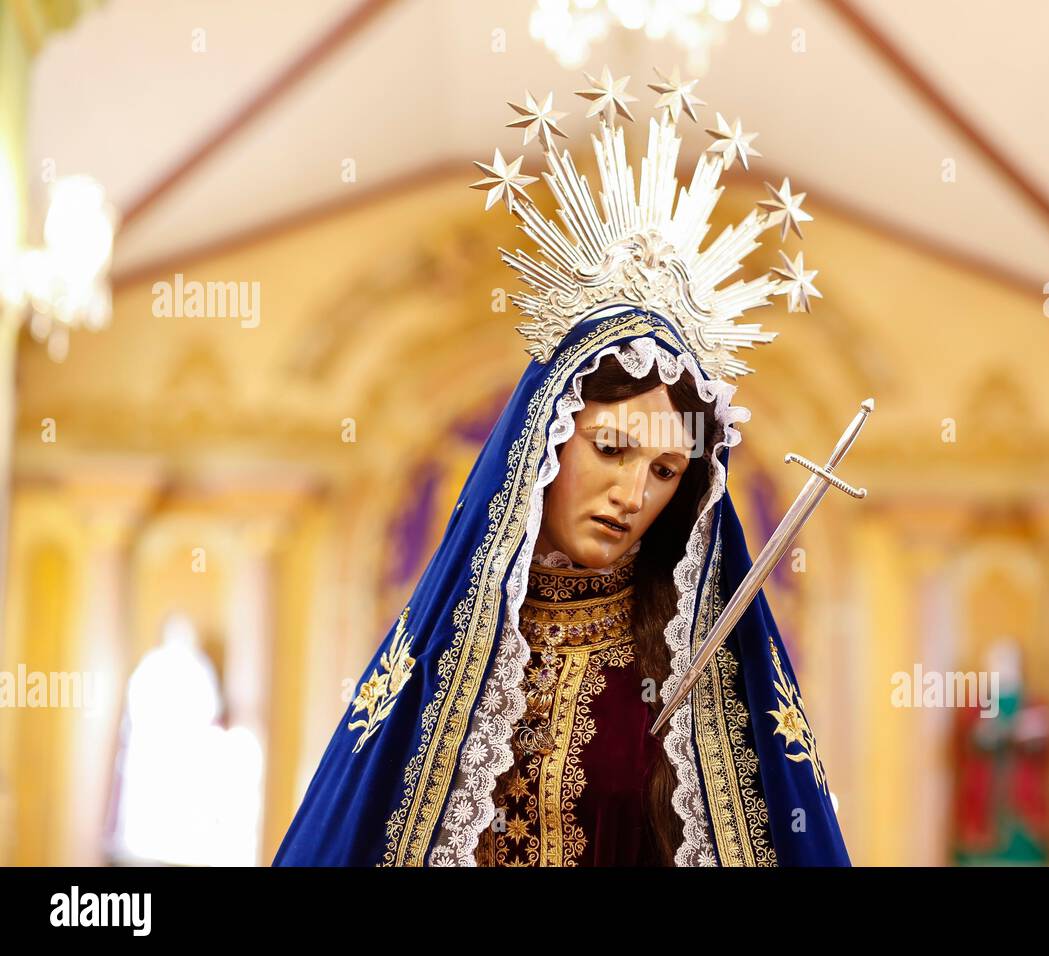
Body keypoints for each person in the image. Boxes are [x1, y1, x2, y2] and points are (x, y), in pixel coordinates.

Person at [274, 68, 850, 867]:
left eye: (665, 472)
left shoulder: (701, 688)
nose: (632, 494)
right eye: (611, 450)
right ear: (544, 441)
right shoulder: (450, 653)